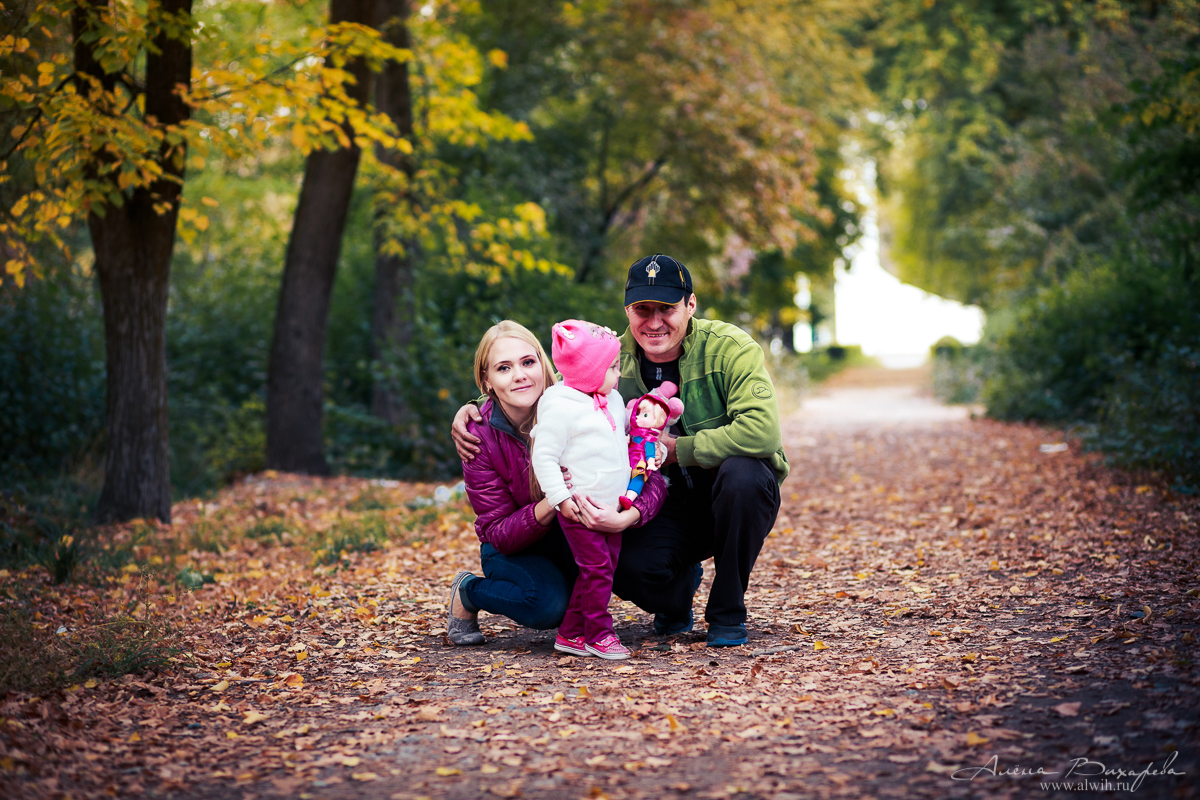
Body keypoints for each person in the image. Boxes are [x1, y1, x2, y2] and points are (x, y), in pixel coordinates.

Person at [452, 255, 786, 647]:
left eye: (667, 308)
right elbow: (535, 389)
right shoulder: (606, 357)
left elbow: (762, 433)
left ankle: (727, 612)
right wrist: (475, 407)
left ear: (690, 305)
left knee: (743, 475)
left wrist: (677, 450)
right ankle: (676, 593)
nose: (655, 321)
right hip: (658, 502)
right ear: (627, 310)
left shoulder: (729, 349)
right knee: (617, 569)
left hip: (726, 495)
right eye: (643, 309)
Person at [446, 320, 666, 651]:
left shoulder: (585, 401)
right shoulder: (478, 436)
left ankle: (587, 617)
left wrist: (628, 514)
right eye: (503, 368)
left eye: (528, 362)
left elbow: (645, 473)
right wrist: (552, 501)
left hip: (577, 530)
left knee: (658, 583)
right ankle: (468, 591)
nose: (520, 374)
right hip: (517, 546)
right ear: (487, 381)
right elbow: (498, 534)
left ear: (544, 364)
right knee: (546, 605)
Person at [530, 320, 632, 660]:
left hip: (611, 507)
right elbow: (543, 456)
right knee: (597, 569)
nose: (618, 375)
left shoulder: (612, 399)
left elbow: (623, 439)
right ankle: (599, 634)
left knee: (600, 570)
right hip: (580, 508)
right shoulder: (561, 407)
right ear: (588, 372)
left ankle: (571, 634)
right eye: (612, 368)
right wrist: (560, 500)